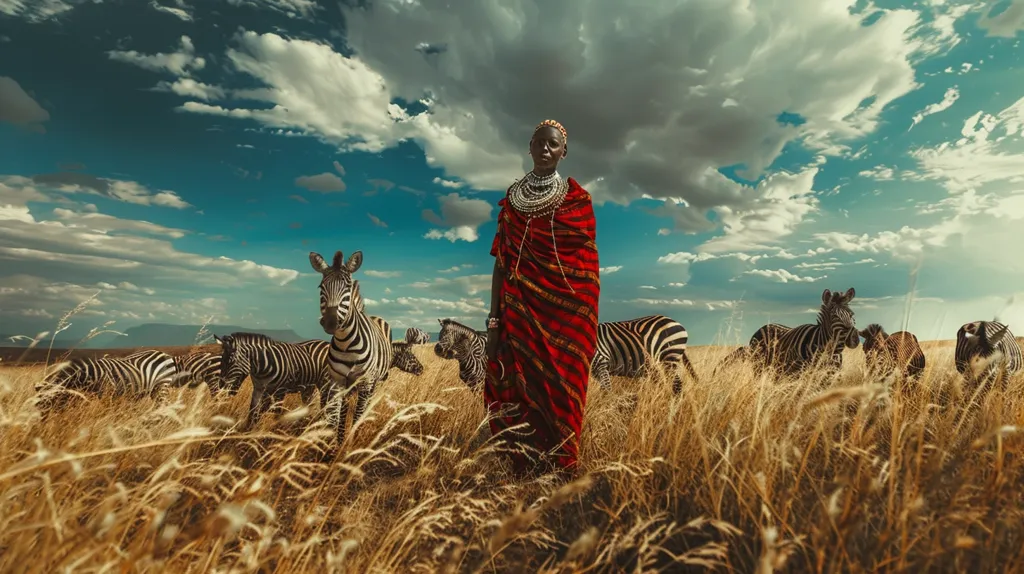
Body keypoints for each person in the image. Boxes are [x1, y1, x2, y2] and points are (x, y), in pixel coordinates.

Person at [484, 119, 601, 478]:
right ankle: (525, 463)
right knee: (515, 384)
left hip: (563, 314)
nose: (546, 149)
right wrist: (493, 319)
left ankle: (562, 465)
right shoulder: (513, 200)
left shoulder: (576, 200)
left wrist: (580, 310)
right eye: (540, 143)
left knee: (563, 388)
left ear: (563, 152)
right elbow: (501, 263)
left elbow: (587, 266)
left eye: (554, 145)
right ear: (530, 147)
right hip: (517, 312)